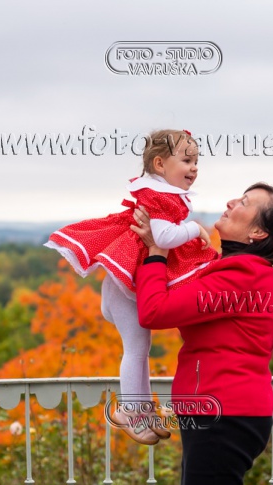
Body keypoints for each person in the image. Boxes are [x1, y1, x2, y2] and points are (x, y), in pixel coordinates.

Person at [130, 182, 273, 485]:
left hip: (224, 416)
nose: (230, 202)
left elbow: (155, 310)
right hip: (222, 415)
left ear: (258, 232)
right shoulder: (240, 269)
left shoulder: (242, 275)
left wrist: (156, 254)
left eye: (244, 203)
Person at [44, 129, 217, 445]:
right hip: (124, 288)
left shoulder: (159, 193)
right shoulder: (159, 197)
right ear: (160, 164)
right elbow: (162, 238)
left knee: (140, 349)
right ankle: (130, 411)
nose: (194, 168)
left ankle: (142, 410)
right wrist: (195, 229)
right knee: (136, 350)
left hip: (126, 285)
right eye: (187, 161)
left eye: (196, 162)